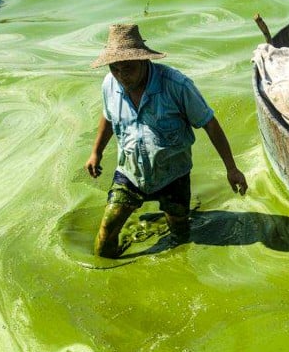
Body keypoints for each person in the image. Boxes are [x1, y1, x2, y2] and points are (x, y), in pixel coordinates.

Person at [84, 24, 248, 258]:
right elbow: (108, 116)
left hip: (174, 175)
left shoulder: (176, 85)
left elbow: (209, 123)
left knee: (180, 237)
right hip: (130, 173)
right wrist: (96, 153)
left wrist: (232, 168)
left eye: (128, 67)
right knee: (104, 239)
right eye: (115, 68)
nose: (121, 75)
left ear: (143, 60)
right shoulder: (110, 85)